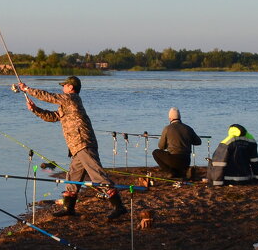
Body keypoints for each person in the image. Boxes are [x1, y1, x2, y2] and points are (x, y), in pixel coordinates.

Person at [17, 76, 127, 220]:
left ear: (71, 87)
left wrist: (27, 89)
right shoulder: (65, 105)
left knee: (97, 175)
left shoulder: (72, 99)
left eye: (64, 85)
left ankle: (119, 207)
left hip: (84, 143)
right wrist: (35, 109)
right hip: (76, 147)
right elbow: (52, 117)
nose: (62, 88)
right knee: (73, 177)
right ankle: (68, 208)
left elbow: (49, 97)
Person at [151, 107, 202, 180]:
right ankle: (182, 172)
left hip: (174, 160)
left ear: (170, 118)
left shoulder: (167, 128)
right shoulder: (188, 128)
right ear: (180, 117)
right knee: (178, 163)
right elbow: (198, 142)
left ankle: (171, 172)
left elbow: (161, 146)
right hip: (186, 160)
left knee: (155, 152)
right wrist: (187, 139)